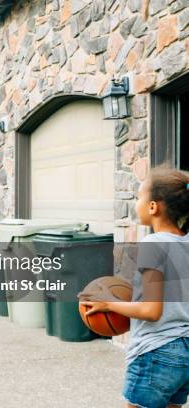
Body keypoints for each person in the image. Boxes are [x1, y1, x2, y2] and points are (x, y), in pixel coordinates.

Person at [80, 167, 189, 408]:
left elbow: (151, 311)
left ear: (153, 207)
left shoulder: (153, 244)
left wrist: (108, 304)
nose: (136, 203)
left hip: (156, 352)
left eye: (139, 196)